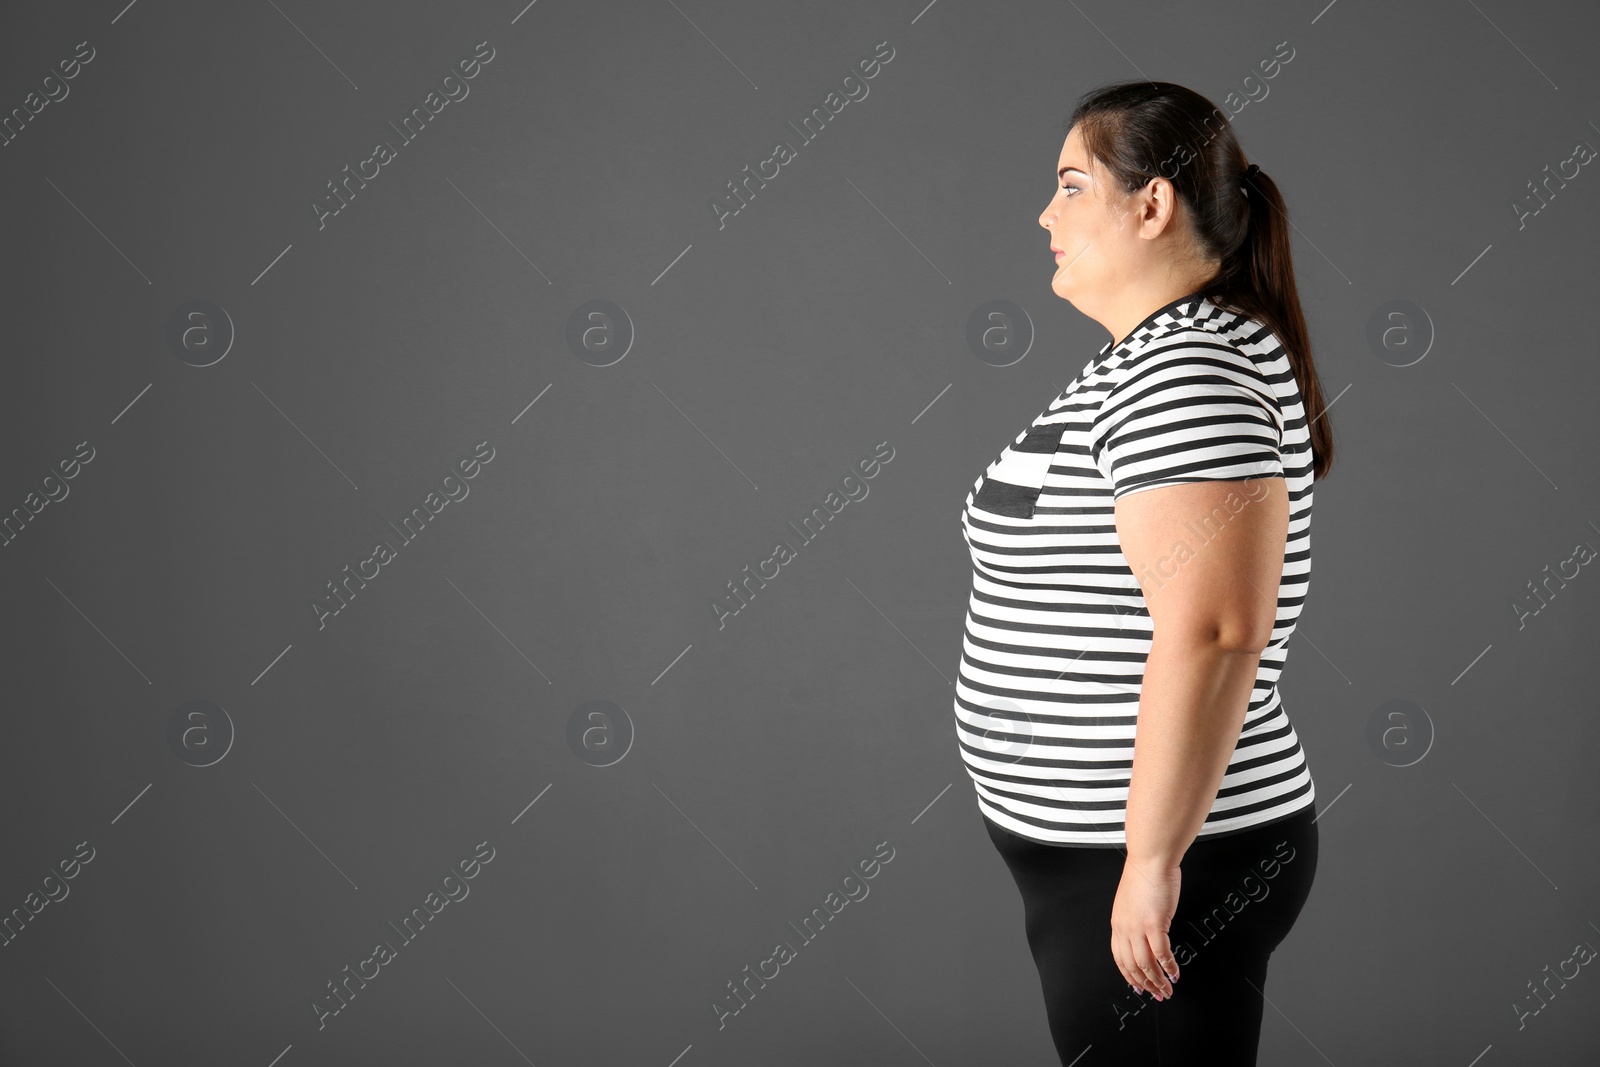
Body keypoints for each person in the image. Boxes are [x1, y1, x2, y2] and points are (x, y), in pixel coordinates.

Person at [955, 81, 1336, 1065]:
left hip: (1164, 860)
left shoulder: (1185, 373)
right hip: (1113, 858)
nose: (1045, 213)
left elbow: (1214, 627)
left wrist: (1153, 860)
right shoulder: (1159, 356)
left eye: (1071, 186)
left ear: (1151, 204)